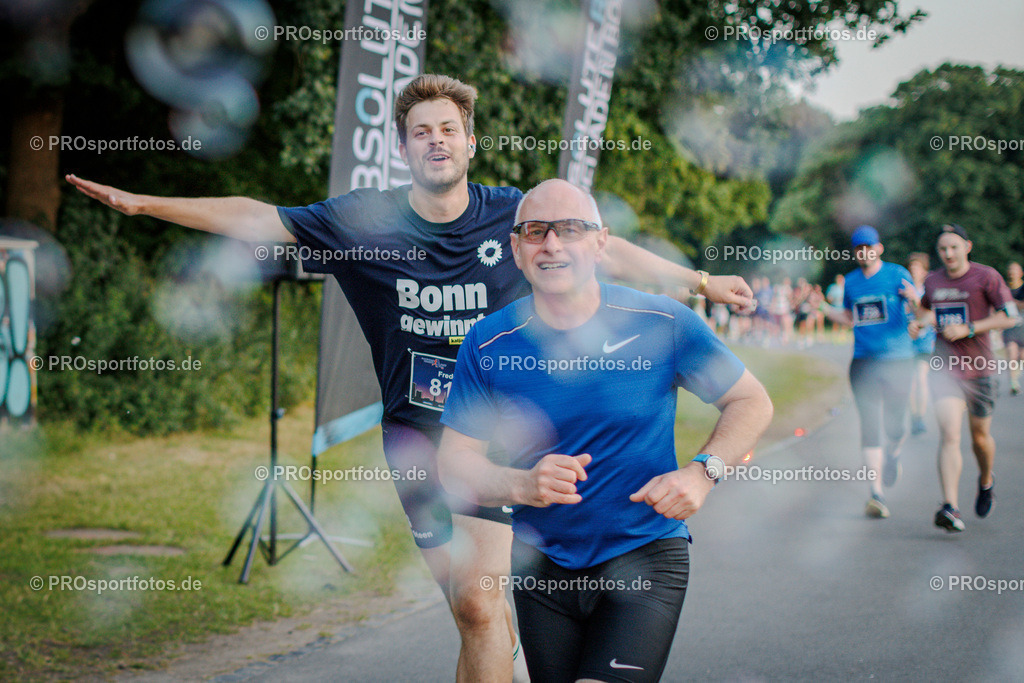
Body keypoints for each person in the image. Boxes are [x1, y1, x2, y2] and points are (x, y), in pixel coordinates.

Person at [67, 74, 755, 681]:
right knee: (474, 612)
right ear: (404, 148)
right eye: (421, 131)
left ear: (470, 143)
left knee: (483, 604)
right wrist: (145, 205)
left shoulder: (514, 219)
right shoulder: (361, 221)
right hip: (418, 442)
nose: (436, 141)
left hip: (504, 438)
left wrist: (699, 281)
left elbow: (604, 248)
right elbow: (258, 217)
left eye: (448, 129)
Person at [437, 179, 773, 683]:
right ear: (515, 249)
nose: (552, 244)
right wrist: (522, 484)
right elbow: (454, 463)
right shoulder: (488, 342)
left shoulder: (662, 322)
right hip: (543, 568)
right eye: (535, 231)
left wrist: (703, 473)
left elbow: (751, 401)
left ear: (600, 244)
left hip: (644, 554)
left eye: (571, 229)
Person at [908, 224, 1018, 532]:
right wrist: (919, 324)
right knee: (950, 435)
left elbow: (1009, 316)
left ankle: (986, 480)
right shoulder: (933, 280)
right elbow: (927, 312)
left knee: (979, 438)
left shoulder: (987, 277)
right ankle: (950, 507)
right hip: (945, 369)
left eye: (954, 247)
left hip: (981, 369)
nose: (948, 254)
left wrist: (969, 328)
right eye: (943, 249)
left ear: (967, 247)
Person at [822, 226, 916, 519]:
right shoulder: (851, 282)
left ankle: (893, 454)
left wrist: (915, 297)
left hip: (898, 360)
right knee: (870, 424)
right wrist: (822, 308)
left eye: (869, 247)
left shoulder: (897, 274)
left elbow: (920, 310)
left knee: (896, 426)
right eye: (859, 248)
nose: (864, 252)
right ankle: (876, 493)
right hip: (863, 362)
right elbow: (849, 317)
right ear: (855, 252)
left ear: (879, 248)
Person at [907, 253, 936, 434]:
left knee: (921, 378)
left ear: (925, 271)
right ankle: (913, 416)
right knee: (910, 381)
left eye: (917, 268)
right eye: (911, 268)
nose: (913, 271)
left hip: (925, 341)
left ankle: (920, 417)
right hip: (907, 341)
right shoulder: (903, 289)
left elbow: (929, 315)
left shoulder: (930, 290)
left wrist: (914, 299)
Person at [1002, 261, 1024, 395]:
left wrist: (1012, 303)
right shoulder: (1004, 289)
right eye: (1010, 270)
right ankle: (1013, 383)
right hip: (1010, 327)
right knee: (1011, 352)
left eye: (1015, 270)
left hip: (1023, 327)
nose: (1012, 272)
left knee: (1022, 356)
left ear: (1021, 273)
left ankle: (1016, 372)